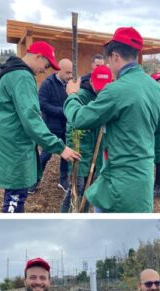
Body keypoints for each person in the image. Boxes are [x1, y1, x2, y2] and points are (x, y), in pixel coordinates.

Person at [64, 27, 160, 213]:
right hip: (144, 181)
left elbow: (80, 119)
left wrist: (72, 96)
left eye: (107, 60)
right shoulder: (158, 90)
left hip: (118, 184)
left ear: (114, 56)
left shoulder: (116, 90)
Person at [0, 41, 80, 213]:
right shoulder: (23, 76)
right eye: (45, 64)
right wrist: (60, 147)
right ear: (38, 56)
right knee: (15, 200)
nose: (45, 70)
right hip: (15, 149)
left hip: (9, 144)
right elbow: (32, 120)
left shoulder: (11, 73)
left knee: (14, 196)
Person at [60, 64, 113, 213]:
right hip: (81, 152)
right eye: (99, 86)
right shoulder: (81, 96)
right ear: (91, 81)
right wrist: (76, 151)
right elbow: (72, 126)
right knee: (75, 191)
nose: (101, 90)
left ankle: (82, 213)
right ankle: (67, 214)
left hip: (98, 154)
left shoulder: (107, 97)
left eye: (105, 86)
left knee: (90, 190)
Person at [38, 58, 74, 193]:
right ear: (59, 70)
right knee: (46, 155)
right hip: (51, 127)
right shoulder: (47, 84)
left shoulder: (70, 84)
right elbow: (42, 104)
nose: (70, 76)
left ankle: (63, 180)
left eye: (71, 73)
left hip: (66, 127)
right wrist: (62, 111)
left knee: (66, 155)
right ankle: (35, 180)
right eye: (68, 73)